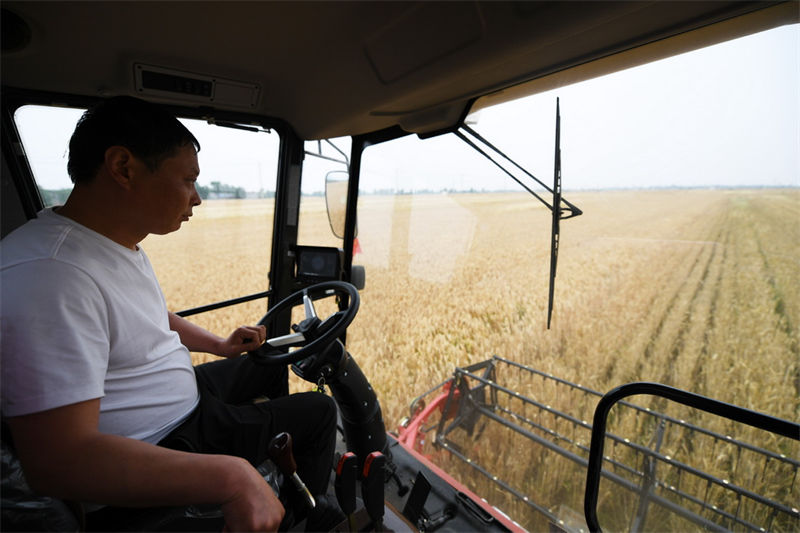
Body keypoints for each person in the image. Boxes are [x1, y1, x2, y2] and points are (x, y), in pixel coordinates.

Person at [0, 96, 339, 532]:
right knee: (319, 412)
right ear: (123, 167)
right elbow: (59, 463)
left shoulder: (107, 240)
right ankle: (300, 517)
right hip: (165, 437)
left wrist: (218, 345)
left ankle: (280, 483)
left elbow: (147, 314)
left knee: (265, 363)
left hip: (175, 395)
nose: (197, 198)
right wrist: (233, 477)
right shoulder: (52, 276)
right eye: (188, 180)